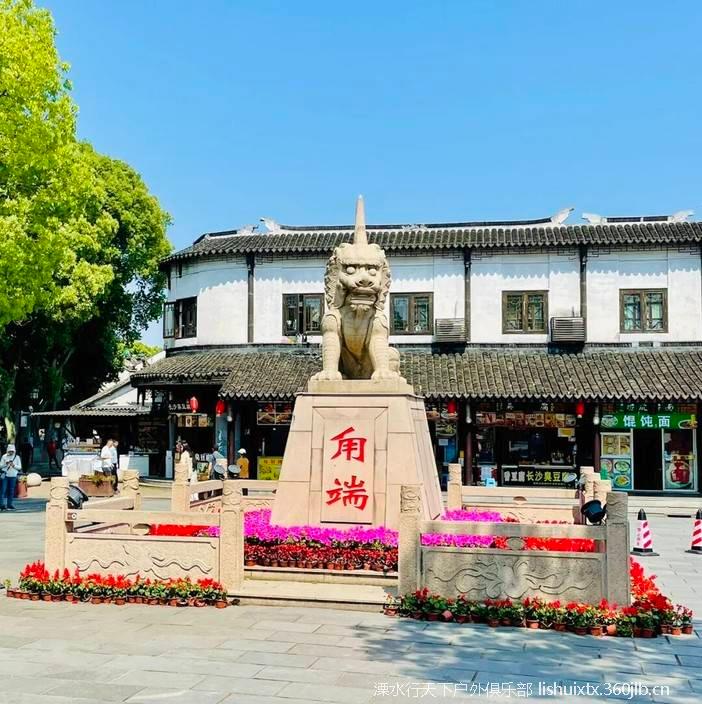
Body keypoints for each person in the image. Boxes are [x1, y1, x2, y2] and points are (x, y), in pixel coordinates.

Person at [0, 444, 22, 511]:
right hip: (5, 476)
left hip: (13, 476)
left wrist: (13, 465)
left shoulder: (17, 457)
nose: (11, 452)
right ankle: (1, 505)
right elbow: (0, 466)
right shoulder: (4, 456)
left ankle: (9, 505)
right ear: (7, 450)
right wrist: (5, 464)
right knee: (3, 490)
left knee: (11, 491)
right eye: (10, 451)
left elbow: (19, 467)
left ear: (14, 451)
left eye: (12, 451)